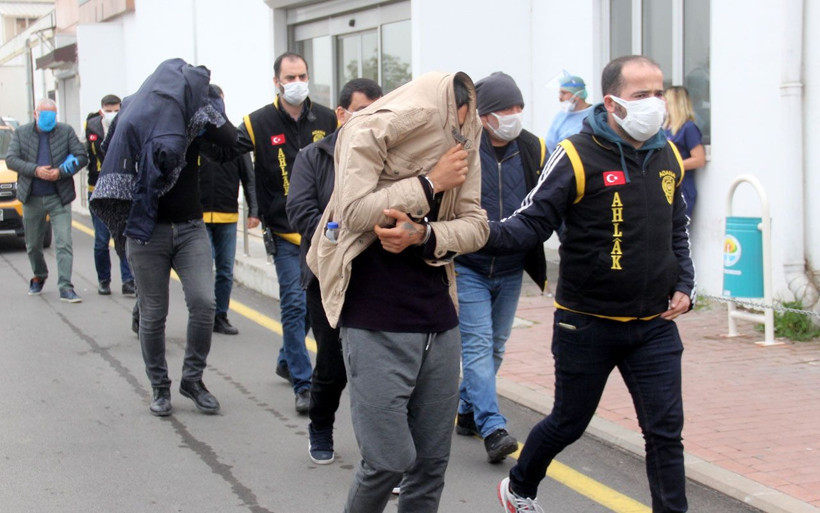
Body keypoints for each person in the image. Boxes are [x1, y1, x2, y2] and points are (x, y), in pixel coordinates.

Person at [488, 55, 695, 513]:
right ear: (613, 102)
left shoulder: (668, 154)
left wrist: (685, 281)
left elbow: (676, 226)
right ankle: (519, 486)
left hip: (654, 325)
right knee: (569, 422)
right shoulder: (576, 154)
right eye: (642, 95)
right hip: (586, 324)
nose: (655, 103)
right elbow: (530, 222)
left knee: (665, 433)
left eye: (659, 93)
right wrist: (466, 235)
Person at [307, 71, 489, 513]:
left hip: (439, 322)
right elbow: (353, 211)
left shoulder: (465, 143)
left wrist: (424, 235)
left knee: (430, 465)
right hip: (373, 319)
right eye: (450, 127)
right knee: (387, 461)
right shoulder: (370, 130)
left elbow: (476, 225)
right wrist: (429, 184)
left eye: (462, 127)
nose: (456, 138)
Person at [90, 58, 236, 417]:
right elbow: (112, 154)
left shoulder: (194, 117)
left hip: (190, 228)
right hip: (146, 231)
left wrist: (208, 104)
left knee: (204, 303)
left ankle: (193, 379)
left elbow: (231, 141)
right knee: (153, 314)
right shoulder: (136, 116)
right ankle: (159, 386)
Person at [234, 52, 337, 414]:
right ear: (276, 82)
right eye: (290, 78)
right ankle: (303, 383)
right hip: (283, 231)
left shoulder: (327, 118)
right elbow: (226, 151)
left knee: (311, 304)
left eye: (302, 76)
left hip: (322, 231)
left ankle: (285, 359)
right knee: (294, 303)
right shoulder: (256, 123)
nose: (297, 83)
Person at [287, 78, 383, 465]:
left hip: (377, 277)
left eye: (378, 112)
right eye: (362, 112)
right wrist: (348, 237)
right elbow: (301, 213)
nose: (371, 121)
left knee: (379, 370)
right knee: (332, 364)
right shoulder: (313, 157)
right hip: (326, 277)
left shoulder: (387, 156)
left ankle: (381, 450)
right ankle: (320, 425)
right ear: (342, 114)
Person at [453, 72, 547, 464]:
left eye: (519, 107)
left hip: (511, 267)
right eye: (506, 109)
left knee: (495, 346)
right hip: (468, 264)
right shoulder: (462, 147)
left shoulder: (533, 148)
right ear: (485, 115)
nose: (514, 115)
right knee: (477, 346)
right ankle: (493, 428)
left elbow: (545, 203)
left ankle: (467, 410)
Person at [7, 98, 88, 302]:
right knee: (33, 244)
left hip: (59, 196)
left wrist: (60, 172)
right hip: (31, 197)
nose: (48, 120)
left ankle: (65, 286)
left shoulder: (65, 131)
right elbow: (11, 160)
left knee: (64, 242)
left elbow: (81, 156)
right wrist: (35, 170)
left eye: (52, 115)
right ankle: (39, 275)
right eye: (44, 115)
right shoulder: (21, 133)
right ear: (35, 114)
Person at [198, 85, 260, 336]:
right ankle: (202, 316)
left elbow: (249, 178)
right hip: (198, 217)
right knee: (203, 269)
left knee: (225, 270)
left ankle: (220, 315)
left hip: (228, 215)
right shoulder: (195, 137)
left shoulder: (234, 138)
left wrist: (254, 210)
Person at [85, 94, 135, 297]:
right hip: (97, 188)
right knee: (101, 239)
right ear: (101, 110)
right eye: (108, 110)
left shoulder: (128, 125)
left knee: (124, 237)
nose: (112, 114)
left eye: (115, 110)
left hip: (121, 190)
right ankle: (103, 279)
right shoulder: (91, 127)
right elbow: (86, 154)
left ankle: (128, 280)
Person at [664, 85, 705, 220]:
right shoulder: (666, 128)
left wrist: (674, 166)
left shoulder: (688, 128)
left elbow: (699, 159)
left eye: (666, 100)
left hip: (682, 187)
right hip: (667, 185)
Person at [545, 74, 593, 155]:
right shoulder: (561, 116)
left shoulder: (593, 115)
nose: (560, 98)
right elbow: (550, 144)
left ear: (578, 94)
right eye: (559, 93)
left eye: (563, 93)